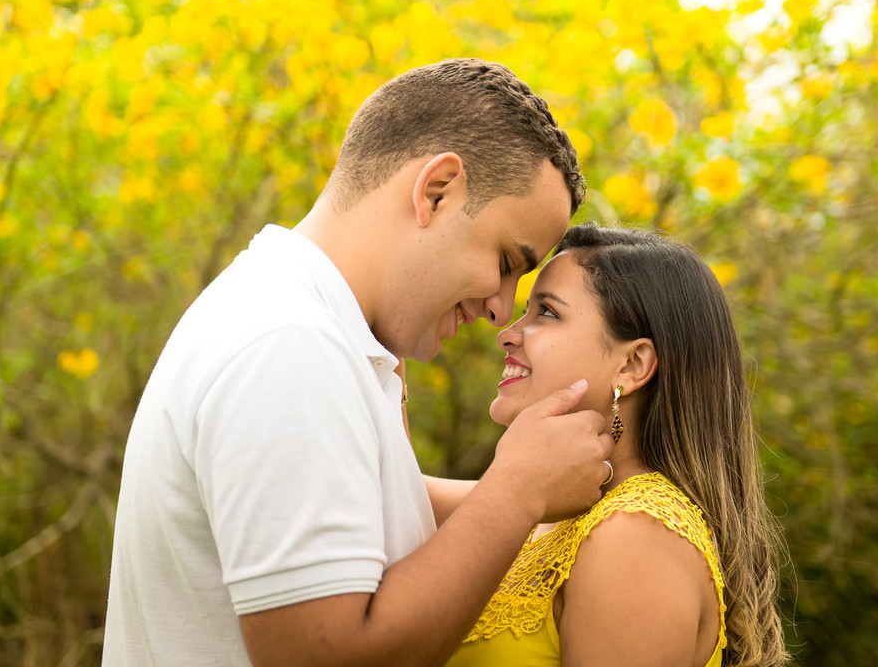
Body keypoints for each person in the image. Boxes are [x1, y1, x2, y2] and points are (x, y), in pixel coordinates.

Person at [102, 59, 616, 666]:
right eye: (507, 262)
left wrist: (550, 488)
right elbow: (329, 655)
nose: (500, 308)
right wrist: (516, 492)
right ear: (436, 191)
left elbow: (375, 506)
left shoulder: (306, 324)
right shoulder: (290, 345)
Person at [446, 224, 789, 667]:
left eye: (546, 312)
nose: (507, 334)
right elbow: (394, 489)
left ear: (632, 364)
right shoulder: (551, 501)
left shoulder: (637, 534)